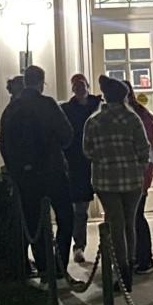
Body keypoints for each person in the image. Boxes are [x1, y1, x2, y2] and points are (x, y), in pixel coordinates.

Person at [0, 65, 73, 278]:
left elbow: (4, 144)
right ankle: (59, 264)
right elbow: (67, 135)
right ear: (41, 82)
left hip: (26, 176)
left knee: (34, 221)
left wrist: (17, 169)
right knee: (65, 218)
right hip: (53, 171)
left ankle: (43, 265)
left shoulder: (11, 109)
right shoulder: (47, 104)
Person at [81, 76, 152, 291]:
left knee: (115, 225)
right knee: (130, 224)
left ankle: (120, 270)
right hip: (132, 180)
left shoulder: (94, 121)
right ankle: (129, 267)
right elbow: (143, 149)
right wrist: (138, 166)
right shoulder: (132, 119)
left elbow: (87, 150)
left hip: (105, 181)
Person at [60, 72, 101, 264]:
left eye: (82, 84)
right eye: (75, 85)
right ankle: (79, 246)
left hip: (99, 162)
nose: (79, 88)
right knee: (80, 210)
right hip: (78, 164)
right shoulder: (67, 110)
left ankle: (112, 247)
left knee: (111, 205)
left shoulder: (99, 106)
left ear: (87, 85)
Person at [132, 90, 153, 274]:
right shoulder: (138, 115)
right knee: (133, 218)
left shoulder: (141, 117)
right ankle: (136, 256)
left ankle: (145, 258)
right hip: (135, 174)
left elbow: (146, 148)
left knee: (137, 216)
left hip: (140, 174)